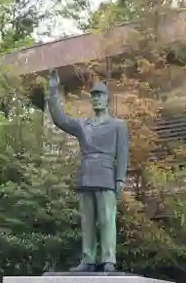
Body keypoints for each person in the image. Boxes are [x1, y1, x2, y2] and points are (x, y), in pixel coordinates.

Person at [47, 68, 129, 272]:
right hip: (86, 175)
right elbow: (60, 120)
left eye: (100, 96)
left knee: (106, 219)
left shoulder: (118, 125)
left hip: (107, 175)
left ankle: (109, 259)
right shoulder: (83, 125)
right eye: (93, 97)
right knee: (87, 221)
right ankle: (88, 258)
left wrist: (120, 179)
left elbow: (122, 153)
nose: (96, 100)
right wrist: (53, 91)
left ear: (107, 100)